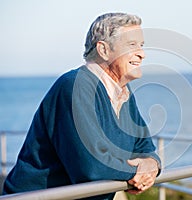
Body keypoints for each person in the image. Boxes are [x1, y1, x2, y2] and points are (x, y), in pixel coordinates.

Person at [2, 13, 161, 199]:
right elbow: (92, 166)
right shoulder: (75, 86)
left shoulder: (123, 93)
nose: (142, 54)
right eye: (132, 45)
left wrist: (152, 164)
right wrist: (136, 172)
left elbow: (144, 146)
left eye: (141, 46)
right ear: (103, 50)